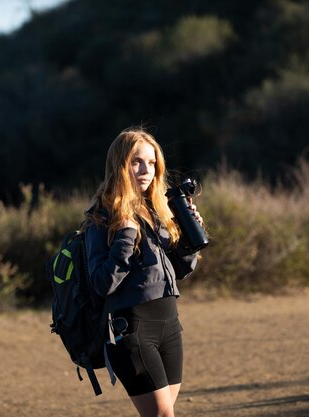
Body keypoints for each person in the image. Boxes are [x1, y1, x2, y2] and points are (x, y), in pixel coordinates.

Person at [84, 127, 204, 417]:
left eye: (151, 163)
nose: (145, 169)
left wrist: (189, 239)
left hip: (170, 325)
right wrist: (126, 235)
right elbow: (101, 282)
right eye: (136, 161)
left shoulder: (158, 209)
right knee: (163, 415)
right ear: (120, 165)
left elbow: (177, 271)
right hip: (132, 330)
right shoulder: (102, 215)